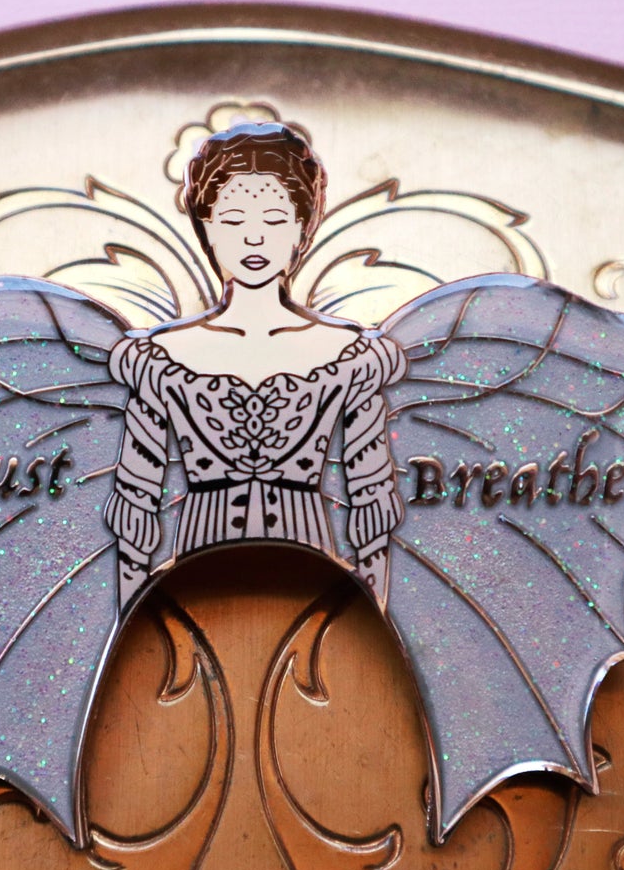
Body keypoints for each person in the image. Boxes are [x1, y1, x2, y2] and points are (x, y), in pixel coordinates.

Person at [102, 119, 406, 608]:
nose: (254, 239)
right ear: (205, 227)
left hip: (317, 591)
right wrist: (138, 626)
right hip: (191, 591)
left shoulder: (351, 355)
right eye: (233, 220)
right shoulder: (159, 358)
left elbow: (372, 509)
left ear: (302, 226)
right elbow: (135, 511)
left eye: (274, 219)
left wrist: (367, 623)